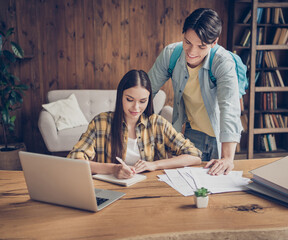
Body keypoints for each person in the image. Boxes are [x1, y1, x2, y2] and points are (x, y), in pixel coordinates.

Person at [148, 8, 243, 176]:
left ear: (214, 43)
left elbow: (229, 108)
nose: (192, 52)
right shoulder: (171, 54)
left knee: (216, 184)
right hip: (192, 132)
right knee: (187, 181)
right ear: (183, 34)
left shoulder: (223, 63)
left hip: (219, 136)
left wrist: (228, 158)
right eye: (188, 42)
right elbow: (147, 90)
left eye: (201, 46)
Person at [67, 69, 201, 179]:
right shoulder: (101, 122)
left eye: (142, 101)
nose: (136, 107)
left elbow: (194, 156)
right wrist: (113, 169)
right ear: (120, 96)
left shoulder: (157, 123)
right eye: (129, 99)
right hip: (110, 189)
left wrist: (153, 165)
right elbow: (74, 161)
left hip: (149, 190)